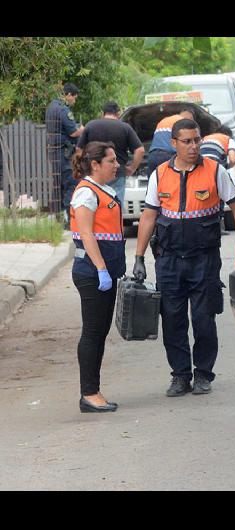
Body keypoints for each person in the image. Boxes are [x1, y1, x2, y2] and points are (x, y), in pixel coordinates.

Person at [133, 119, 235, 397]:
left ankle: (204, 373)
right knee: (173, 319)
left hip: (204, 260)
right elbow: (148, 216)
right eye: (187, 141)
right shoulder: (160, 174)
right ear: (174, 144)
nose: (194, 146)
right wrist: (138, 257)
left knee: (203, 318)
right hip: (169, 260)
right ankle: (180, 375)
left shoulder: (215, 171)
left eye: (196, 140)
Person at [69, 141, 126, 413]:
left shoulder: (102, 190)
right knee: (92, 333)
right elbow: (86, 233)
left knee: (99, 332)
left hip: (104, 272)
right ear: (95, 165)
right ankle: (89, 393)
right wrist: (102, 268)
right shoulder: (86, 193)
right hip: (93, 273)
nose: (117, 165)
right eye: (111, 161)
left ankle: (94, 391)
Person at [76, 101, 144, 204]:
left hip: (95, 172)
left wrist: (84, 167)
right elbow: (140, 150)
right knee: (115, 205)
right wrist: (131, 168)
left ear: (102, 113)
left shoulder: (91, 125)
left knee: (94, 203)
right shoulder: (125, 127)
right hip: (117, 172)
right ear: (117, 113)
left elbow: (79, 150)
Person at [46, 83, 85, 220]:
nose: (74, 101)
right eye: (74, 98)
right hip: (64, 153)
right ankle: (70, 219)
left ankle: (58, 217)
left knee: (58, 185)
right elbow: (74, 132)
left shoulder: (51, 106)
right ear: (68, 94)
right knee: (70, 183)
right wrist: (82, 129)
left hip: (54, 152)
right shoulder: (63, 110)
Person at [147, 107, 195, 176]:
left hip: (152, 156)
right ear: (189, 117)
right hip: (167, 156)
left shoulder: (164, 120)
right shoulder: (181, 122)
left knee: (154, 183)